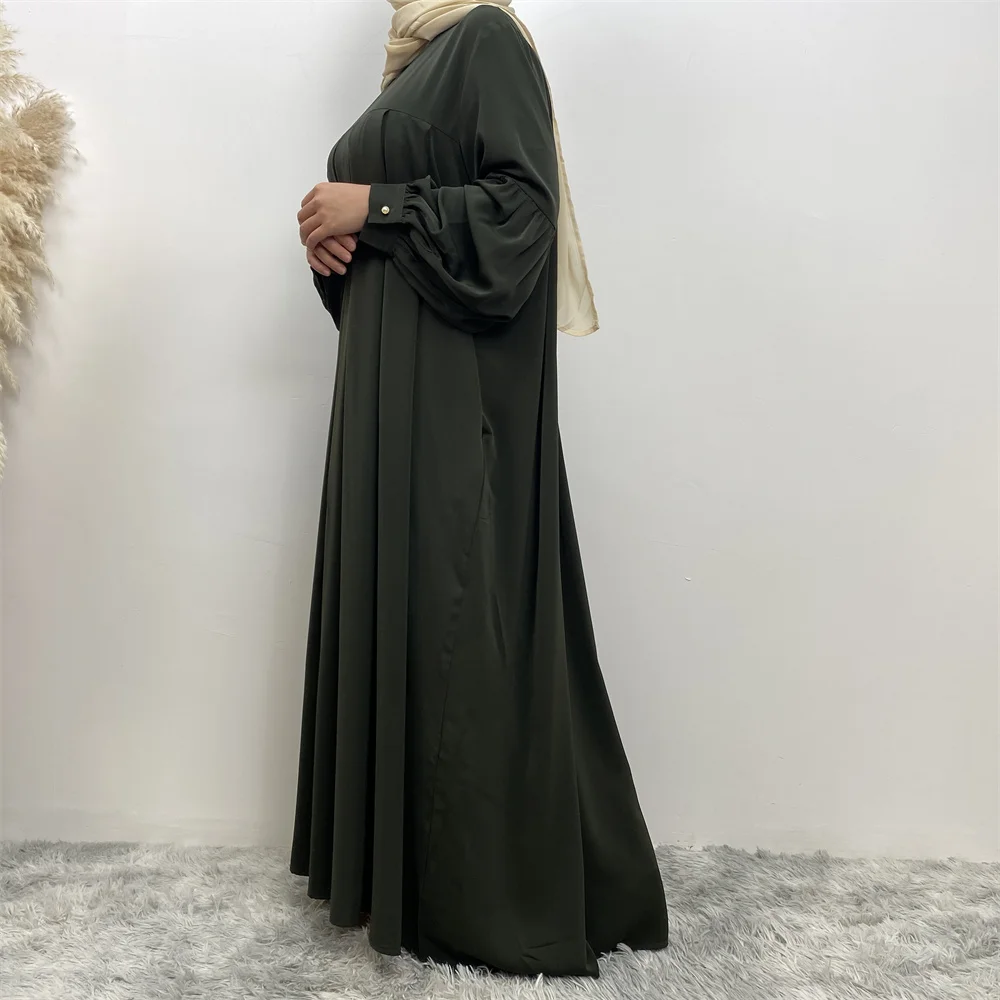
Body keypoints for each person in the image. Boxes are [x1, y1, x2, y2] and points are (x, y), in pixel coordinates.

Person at [290, 0, 668, 978]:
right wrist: (331, 238)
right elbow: (398, 239)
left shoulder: (488, 36)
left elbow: (521, 216)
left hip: (451, 401)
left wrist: (374, 208)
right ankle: (406, 877)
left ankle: (483, 893)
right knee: (408, 610)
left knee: (456, 612)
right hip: (387, 401)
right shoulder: (413, 61)